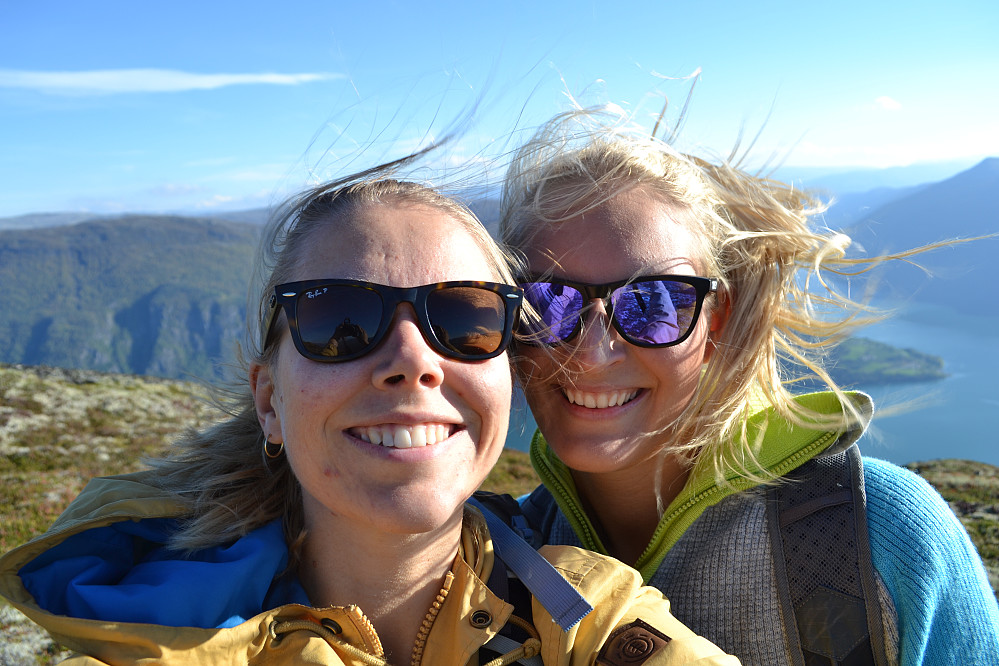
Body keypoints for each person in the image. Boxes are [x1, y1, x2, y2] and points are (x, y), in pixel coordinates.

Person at [0, 156, 742, 665]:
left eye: (465, 319)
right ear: (267, 400)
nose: (414, 359)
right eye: (340, 321)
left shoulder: (587, 611)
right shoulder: (147, 635)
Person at [499, 107, 999, 665]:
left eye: (655, 303)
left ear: (716, 319)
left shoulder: (880, 532)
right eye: (548, 303)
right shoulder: (502, 552)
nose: (591, 353)